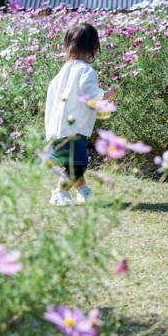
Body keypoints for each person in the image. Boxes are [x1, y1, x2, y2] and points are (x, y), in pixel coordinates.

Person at [45, 22, 117, 206]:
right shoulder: (86, 70)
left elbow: (53, 94)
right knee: (78, 164)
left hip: (59, 126)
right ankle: (59, 193)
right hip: (74, 128)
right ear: (94, 48)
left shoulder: (64, 70)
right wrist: (106, 96)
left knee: (73, 163)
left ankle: (84, 191)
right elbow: (88, 93)